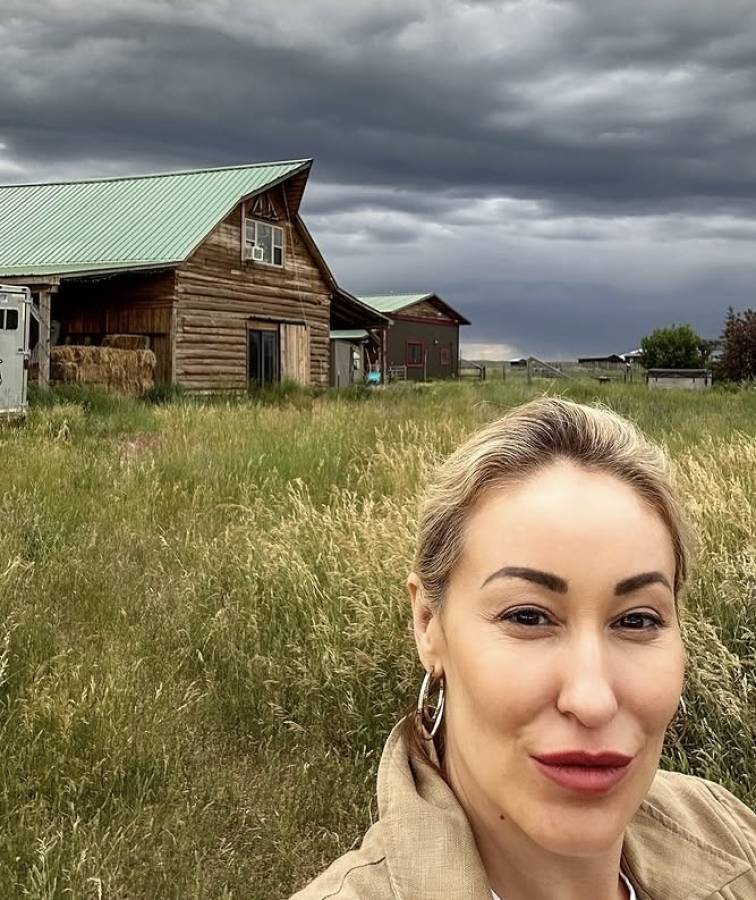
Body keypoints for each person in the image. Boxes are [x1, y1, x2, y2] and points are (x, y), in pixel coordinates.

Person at [289, 396, 756, 900]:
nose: (592, 699)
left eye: (637, 620)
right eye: (528, 617)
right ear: (428, 625)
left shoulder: (724, 827)